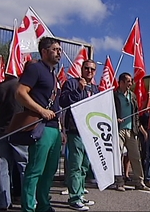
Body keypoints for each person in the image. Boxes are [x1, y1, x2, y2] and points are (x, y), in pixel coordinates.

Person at [16, 37, 64, 212]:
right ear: (44, 52)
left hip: (54, 128)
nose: (59, 52)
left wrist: (62, 130)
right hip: (40, 127)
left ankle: (43, 205)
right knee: (35, 170)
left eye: (60, 49)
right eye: (55, 49)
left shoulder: (53, 75)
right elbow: (20, 93)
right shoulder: (36, 69)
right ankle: (28, 207)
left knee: (50, 171)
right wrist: (41, 110)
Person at [60, 59, 99, 210]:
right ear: (82, 69)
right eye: (87, 68)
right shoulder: (71, 83)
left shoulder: (96, 89)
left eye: (92, 69)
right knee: (75, 165)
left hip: (90, 132)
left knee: (84, 166)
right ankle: (74, 198)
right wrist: (78, 90)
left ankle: (80, 193)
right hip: (75, 130)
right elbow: (63, 101)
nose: (89, 71)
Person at [0, 72, 29, 210]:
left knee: (2, 168)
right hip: (19, 131)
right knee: (24, 166)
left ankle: (3, 202)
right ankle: (27, 200)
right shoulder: (21, 87)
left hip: (1, 132)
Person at [113, 72, 150, 191]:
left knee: (136, 156)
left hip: (131, 130)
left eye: (131, 81)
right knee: (117, 156)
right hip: (118, 130)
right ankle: (119, 182)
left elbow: (136, 115)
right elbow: (109, 112)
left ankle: (139, 182)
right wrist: (115, 119)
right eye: (128, 81)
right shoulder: (114, 96)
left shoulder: (133, 96)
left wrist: (141, 130)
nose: (131, 83)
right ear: (122, 82)